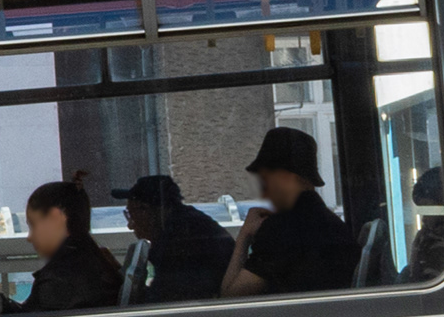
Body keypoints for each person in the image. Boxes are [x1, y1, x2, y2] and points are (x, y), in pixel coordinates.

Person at [226, 129, 357, 296]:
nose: (263, 189)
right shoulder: (331, 222)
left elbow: (230, 297)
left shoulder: (282, 229)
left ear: (289, 177)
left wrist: (244, 237)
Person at [0, 179, 117, 317]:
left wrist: (5, 310)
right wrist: (4, 307)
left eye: (33, 225)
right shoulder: (93, 260)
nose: (30, 237)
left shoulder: (59, 280)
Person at [112, 175, 233, 305]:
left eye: (131, 215)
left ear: (146, 211)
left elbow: (166, 300)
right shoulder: (187, 223)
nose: (130, 225)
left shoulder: (181, 241)